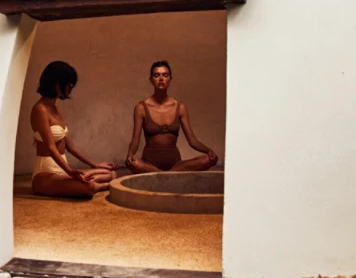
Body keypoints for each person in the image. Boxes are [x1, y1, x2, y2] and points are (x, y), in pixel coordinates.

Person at [30, 61, 118, 197]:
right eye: (68, 83)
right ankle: (100, 185)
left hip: (62, 171)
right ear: (56, 83)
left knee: (110, 173)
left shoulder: (55, 109)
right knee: (88, 188)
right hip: (45, 175)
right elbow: (50, 147)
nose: (70, 87)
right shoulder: (40, 109)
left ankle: (93, 183)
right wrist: (71, 171)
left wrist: (95, 164)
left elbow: (71, 147)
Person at [125, 60, 219, 173]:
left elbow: (192, 141)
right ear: (151, 80)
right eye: (156, 75)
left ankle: (162, 175)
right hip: (149, 164)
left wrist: (208, 151)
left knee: (208, 159)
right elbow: (135, 141)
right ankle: (169, 175)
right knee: (133, 163)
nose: (161, 78)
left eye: (165, 75)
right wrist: (130, 154)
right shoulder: (141, 108)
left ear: (170, 79)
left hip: (176, 164)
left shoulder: (180, 107)